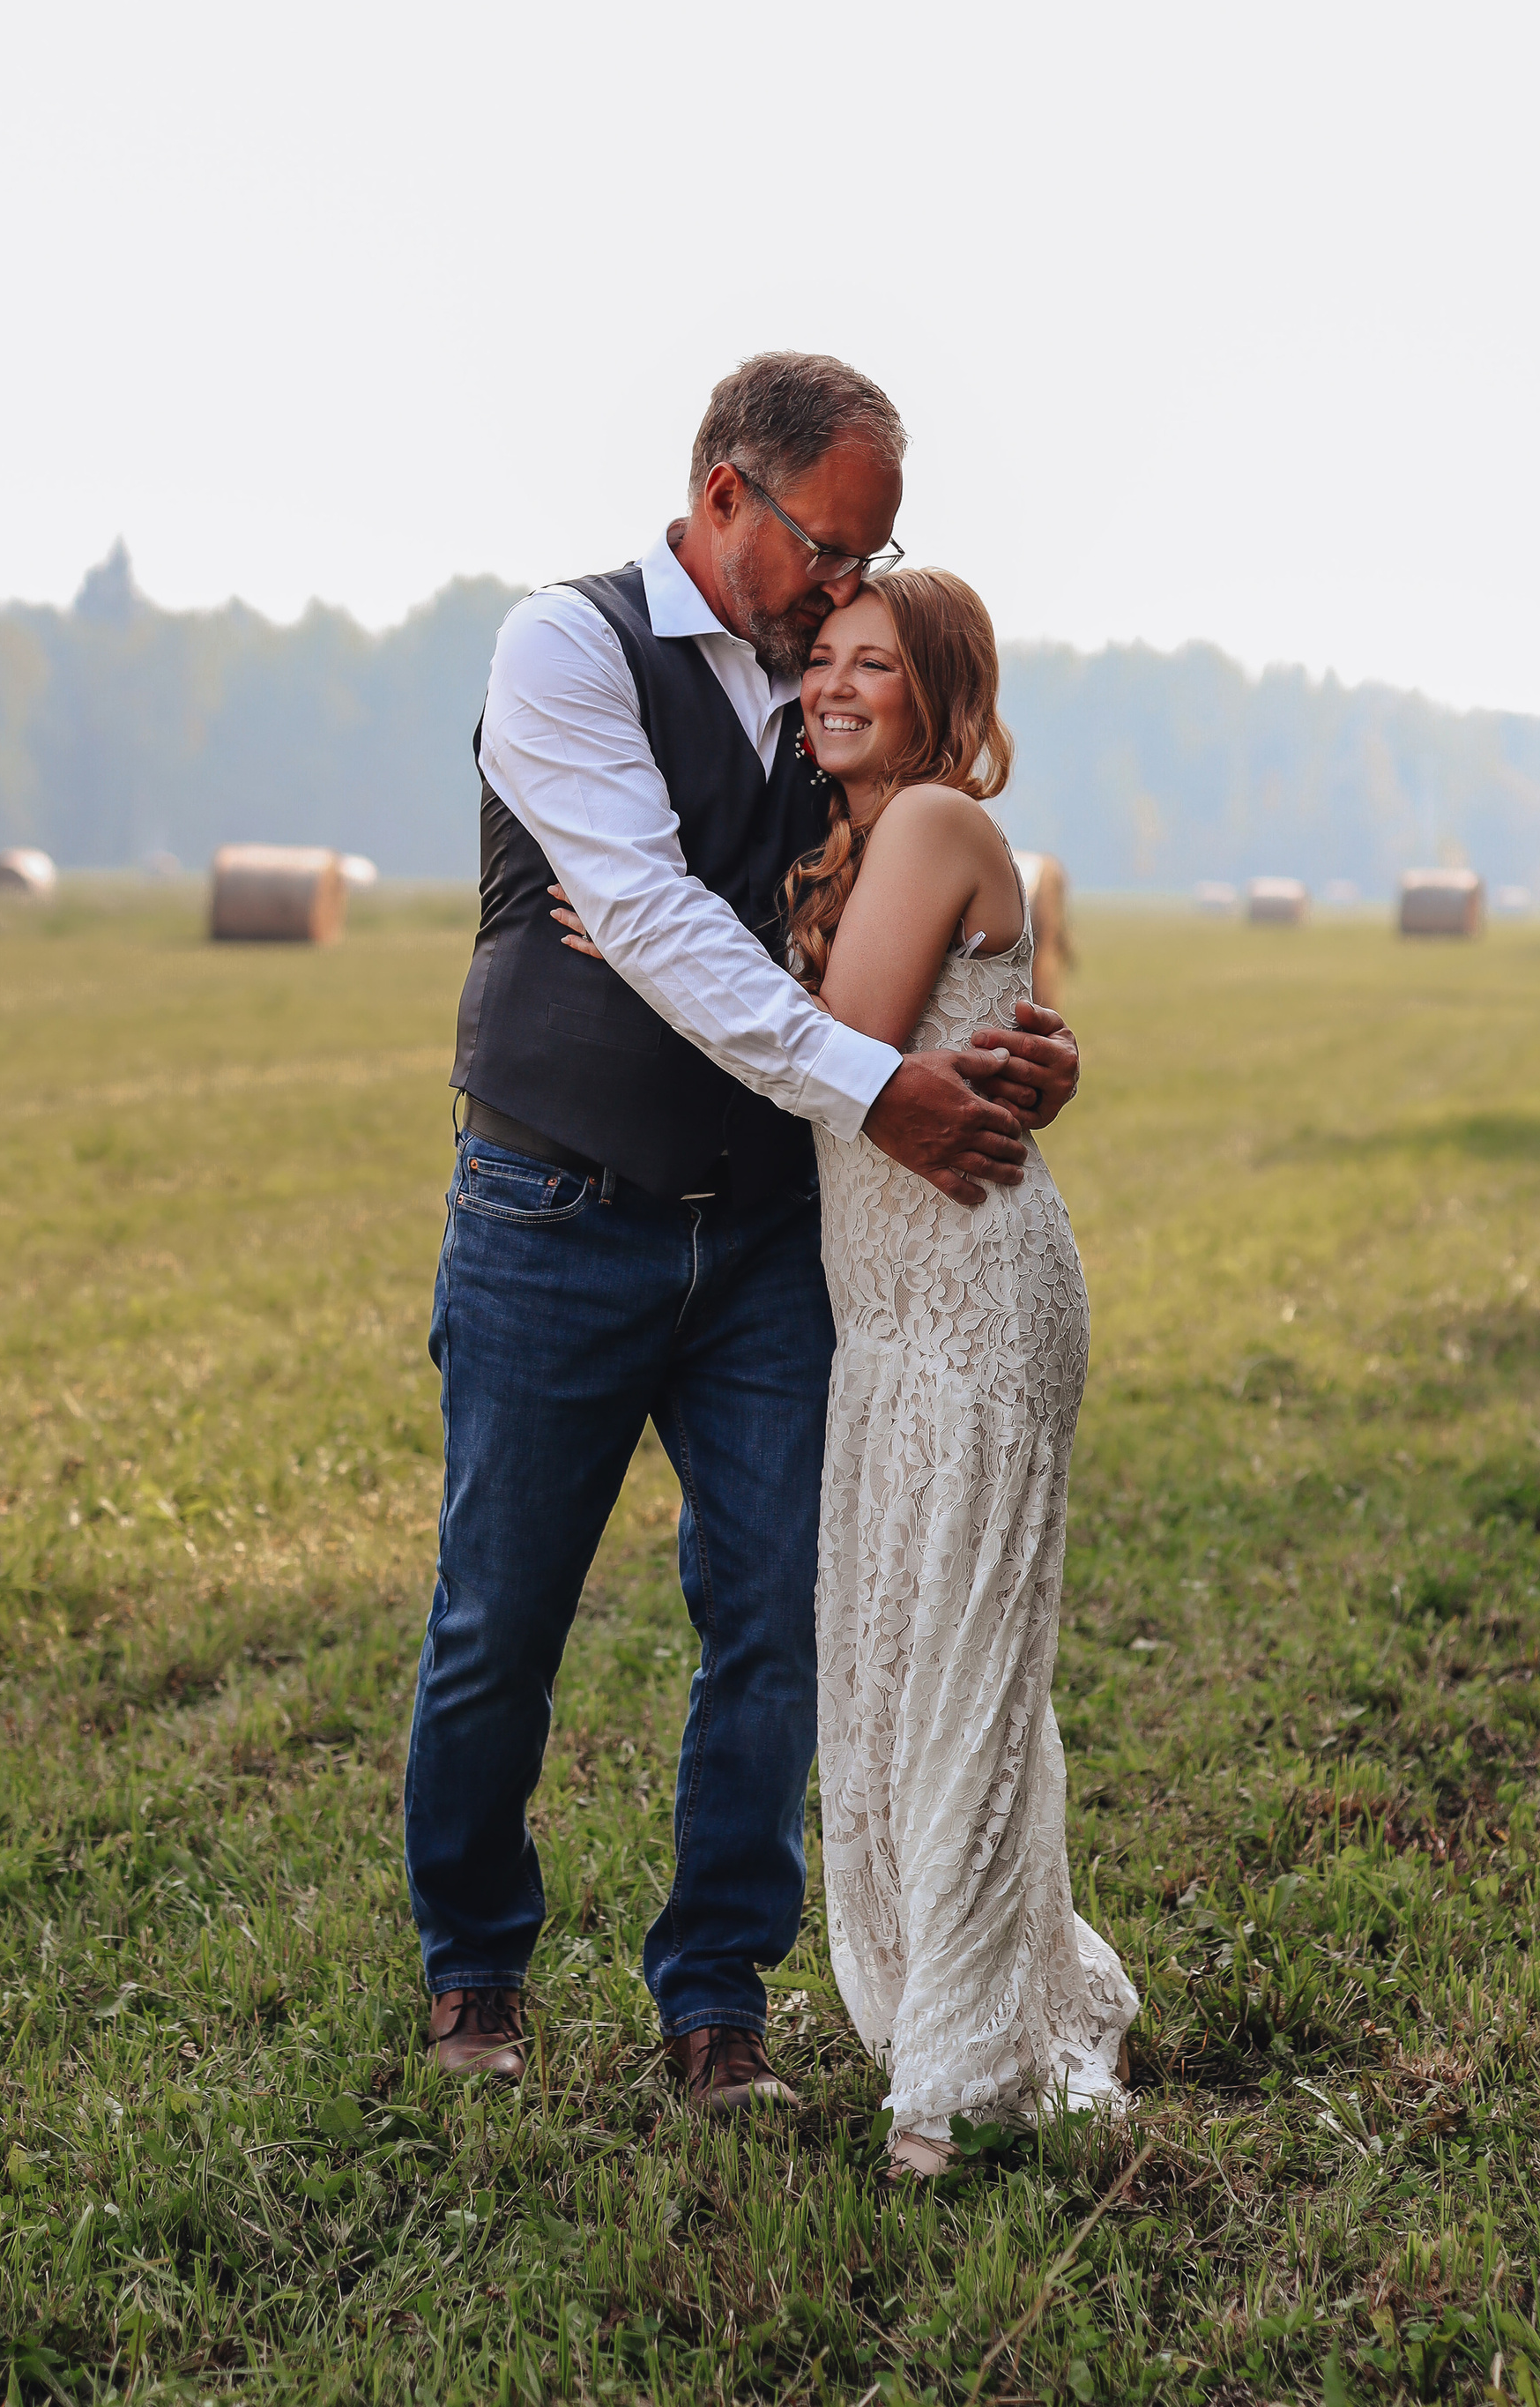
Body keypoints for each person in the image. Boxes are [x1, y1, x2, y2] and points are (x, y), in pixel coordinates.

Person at [404, 353, 1082, 2112]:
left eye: (874, 554)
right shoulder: (564, 651)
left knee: (777, 1616)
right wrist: (872, 1079)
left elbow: (898, 893)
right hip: (556, 1209)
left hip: (771, 1243)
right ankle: (472, 1967)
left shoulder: (823, 693)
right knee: (500, 1615)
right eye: (829, 545)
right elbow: (644, 910)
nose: (849, 586)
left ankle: (715, 1996)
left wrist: (1008, 1026)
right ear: (724, 498)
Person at [788, 574, 1137, 2176]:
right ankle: (972, 1995)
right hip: (888, 1315)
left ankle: (951, 2076)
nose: (833, 685)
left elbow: (839, 1039)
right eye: (820, 659)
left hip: (977, 1298)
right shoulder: (864, 846)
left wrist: (639, 951)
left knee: (964, 1675)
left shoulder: (928, 822)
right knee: (901, 1667)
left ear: (939, 699)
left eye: (874, 665)